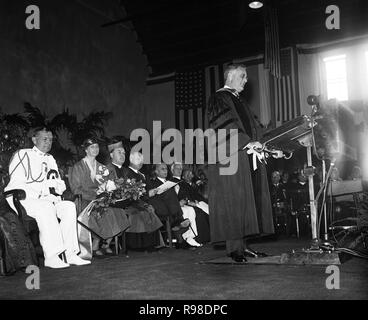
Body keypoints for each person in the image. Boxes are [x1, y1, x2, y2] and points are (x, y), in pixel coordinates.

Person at [207, 64, 276, 262]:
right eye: (242, 76)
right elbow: (224, 127)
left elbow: (256, 128)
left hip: (245, 155)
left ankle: (244, 246)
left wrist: (269, 145)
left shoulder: (239, 101)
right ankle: (234, 249)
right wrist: (247, 143)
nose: (246, 80)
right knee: (234, 201)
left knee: (246, 201)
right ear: (229, 76)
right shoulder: (219, 98)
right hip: (229, 157)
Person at [4, 126, 90, 268]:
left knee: (68, 207)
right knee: (46, 207)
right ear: (34, 139)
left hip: (46, 199)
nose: (48, 142)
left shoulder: (50, 158)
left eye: (50, 139)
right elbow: (16, 183)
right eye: (44, 139)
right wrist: (43, 190)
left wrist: (57, 187)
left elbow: (56, 181)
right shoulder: (22, 154)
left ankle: (70, 253)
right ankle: (51, 256)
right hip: (25, 198)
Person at [68, 137, 130, 256]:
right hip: (85, 200)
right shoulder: (78, 166)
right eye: (92, 147)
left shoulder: (102, 167)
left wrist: (107, 190)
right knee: (103, 211)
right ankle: (96, 245)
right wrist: (95, 195)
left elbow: (107, 184)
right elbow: (76, 189)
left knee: (116, 210)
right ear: (86, 150)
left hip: (100, 199)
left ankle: (104, 243)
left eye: (96, 147)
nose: (95, 149)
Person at [106, 143, 163, 251]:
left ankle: (148, 244)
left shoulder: (126, 171)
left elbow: (133, 191)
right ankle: (136, 245)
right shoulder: (107, 169)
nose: (122, 155)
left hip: (129, 201)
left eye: (123, 153)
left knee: (147, 209)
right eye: (119, 152)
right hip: (115, 203)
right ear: (111, 155)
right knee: (139, 212)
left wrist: (143, 201)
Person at [145, 163, 191, 246]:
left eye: (166, 169)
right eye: (162, 169)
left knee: (171, 194)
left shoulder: (169, 182)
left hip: (169, 207)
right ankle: (178, 222)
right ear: (156, 171)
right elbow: (152, 197)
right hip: (159, 206)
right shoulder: (152, 182)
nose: (165, 171)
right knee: (169, 193)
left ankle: (180, 238)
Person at [170, 162, 209, 246]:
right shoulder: (171, 182)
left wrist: (195, 200)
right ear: (172, 170)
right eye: (177, 168)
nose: (179, 170)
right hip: (180, 205)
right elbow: (177, 195)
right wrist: (188, 201)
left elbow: (192, 193)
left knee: (207, 208)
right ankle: (195, 237)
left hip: (190, 202)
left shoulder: (183, 182)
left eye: (180, 168)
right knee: (197, 211)